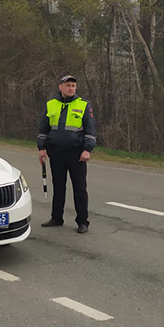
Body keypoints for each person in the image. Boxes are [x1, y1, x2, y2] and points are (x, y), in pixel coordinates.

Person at [37, 74, 96, 233]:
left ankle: (82, 221)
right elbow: (43, 129)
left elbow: (90, 130)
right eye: (68, 85)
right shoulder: (50, 105)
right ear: (60, 87)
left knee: (79, 188)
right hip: (55, 152)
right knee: (58, 186)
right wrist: (41, 148)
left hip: (76, 154)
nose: (71, 88)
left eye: (73, 86)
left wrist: (87, 149)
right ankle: (57, 217)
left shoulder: (83, 105)